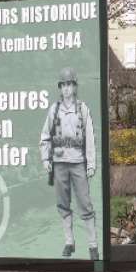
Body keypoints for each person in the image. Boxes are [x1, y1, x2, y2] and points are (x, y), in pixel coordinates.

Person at [39, 67, 98, 260]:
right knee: (63, 204)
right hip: (59, 163)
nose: (66, 89)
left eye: (69, 84)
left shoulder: (83, 109)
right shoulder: (54, 110)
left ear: (75, 87)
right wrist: (45, 158)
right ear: (60, 88)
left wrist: (91, 163)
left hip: (78, 162)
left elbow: (90, 137)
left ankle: (93, 244)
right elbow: (45, 136)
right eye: (63, 85)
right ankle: (69, 241)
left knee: (85, 203)